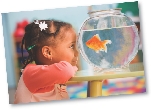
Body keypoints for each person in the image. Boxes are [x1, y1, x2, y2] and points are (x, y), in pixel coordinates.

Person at [14, 19, 78, 104]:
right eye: (71, 46)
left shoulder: (50, 75)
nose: (77, 52)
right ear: (48, 52)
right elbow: (67, 71)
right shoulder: (31, 73)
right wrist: (74, 67)